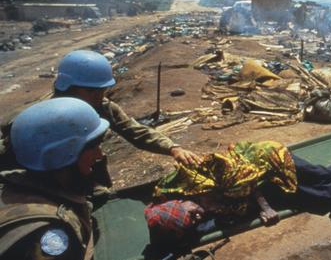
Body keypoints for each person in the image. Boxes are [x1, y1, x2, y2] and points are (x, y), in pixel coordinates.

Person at [0, 98, 163, 260]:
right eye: (92, 146)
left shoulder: (11, 189)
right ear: (62, 154)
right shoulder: (45, 233)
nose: (99, 155)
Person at [0, 50, 202, 185]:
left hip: (85, 173)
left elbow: (134, 130)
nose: (99, 97)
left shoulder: (101, 106)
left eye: (102, 91)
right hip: (42, 184)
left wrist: (172, 148)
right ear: (67, 87)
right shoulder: (33, 120)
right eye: (91, 91)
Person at [148, 141, 331, 235]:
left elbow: (245, 177)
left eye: (193, 213)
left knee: (321, 176)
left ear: (180, 202)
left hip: (265, 160)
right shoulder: (180, 207)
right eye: (195, 221)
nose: (199, 216)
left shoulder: (194, 176)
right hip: (264, 185)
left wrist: (265, 208)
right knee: (323, 199)